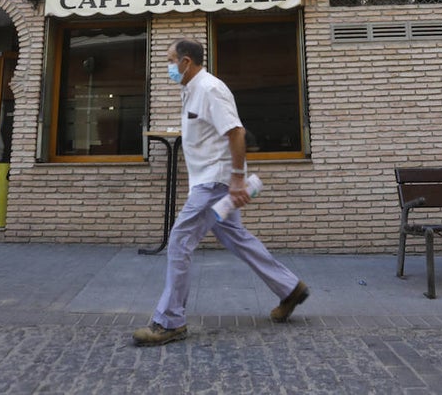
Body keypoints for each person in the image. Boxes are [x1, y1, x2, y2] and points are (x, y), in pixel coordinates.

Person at [132, 38, 309, 346]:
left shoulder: (210, 89)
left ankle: (169, 321)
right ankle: (290, 288)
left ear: (187, 62)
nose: (168, 67)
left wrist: (238, 179)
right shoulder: (191, 90)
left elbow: (236, 132)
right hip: (211, 182)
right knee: (236, 237)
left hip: (214, 184)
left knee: (180, 241)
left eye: (171, 60)